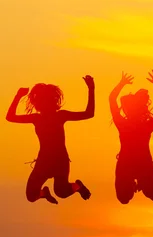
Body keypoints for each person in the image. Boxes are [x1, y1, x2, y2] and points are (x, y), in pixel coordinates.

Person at [6, 76, 94, 204]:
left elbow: (89, 113)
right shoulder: (36, 118)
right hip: (44, 161)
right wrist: (18, 95)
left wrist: (91, 88)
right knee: (31, 195)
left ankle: (78, 186)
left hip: (60, 161)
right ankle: (44, 193)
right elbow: (10, 117)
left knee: (61, 192)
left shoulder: (61, 116)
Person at [109, 69, 153, 204]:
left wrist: (121, 84)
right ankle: (133, 184)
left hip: (140, 165)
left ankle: (140, 183)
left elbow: (111, 99)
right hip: (130, 165)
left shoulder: (125, 124)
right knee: (124, 198)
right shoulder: (142, 126)